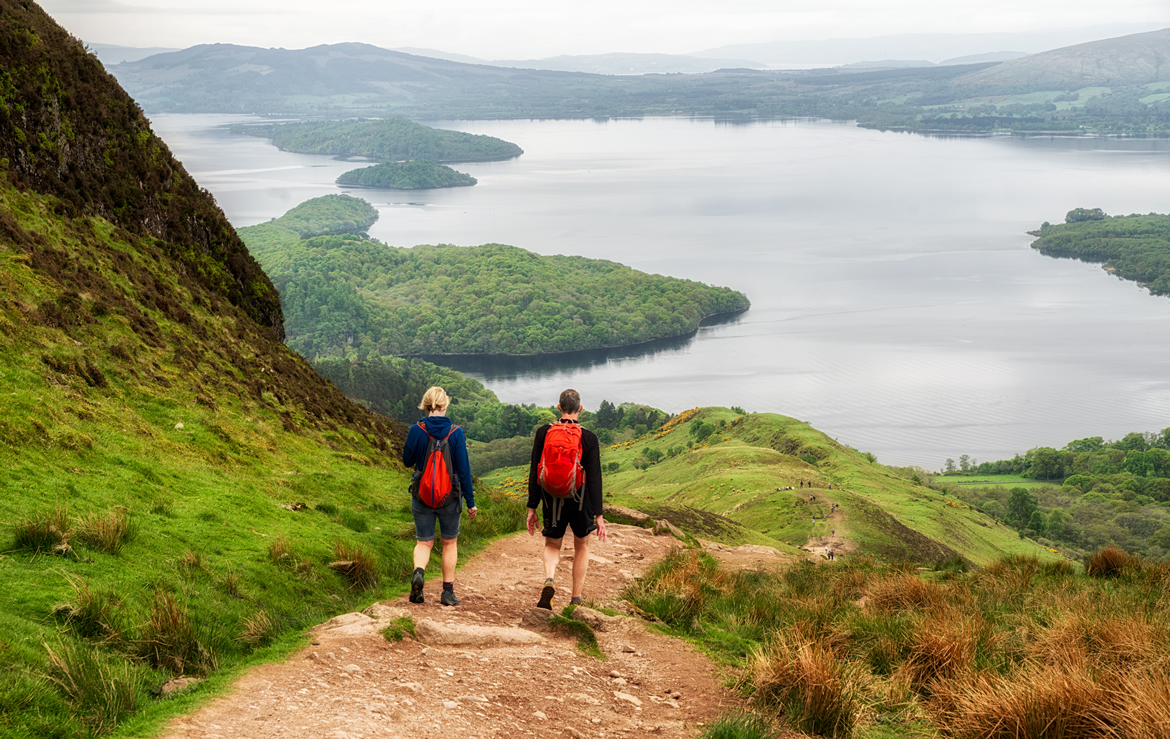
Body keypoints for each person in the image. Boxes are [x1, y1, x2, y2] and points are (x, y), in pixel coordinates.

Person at [527, 389, 606, 609]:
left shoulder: (544, 432)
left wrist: (532, 506)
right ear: (580, 408)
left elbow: (534, 470)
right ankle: (575, 599)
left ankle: (550, 579)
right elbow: (594, 478)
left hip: (551, 499)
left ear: (559, 407)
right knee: (582, 545)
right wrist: (598, 514)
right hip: (581, 501)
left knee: (552, 544)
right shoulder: (589, 438)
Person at [402, 386, 476, 606]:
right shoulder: (455, 432)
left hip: (421, 495)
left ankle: (418, 573)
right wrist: (470, 502)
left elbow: (407, 461)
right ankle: (447, 592)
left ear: (426, 406)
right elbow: (463, 471)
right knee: (449, 543)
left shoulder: (417, 430)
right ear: (445, 406)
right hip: (450, 498)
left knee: (424, 543)